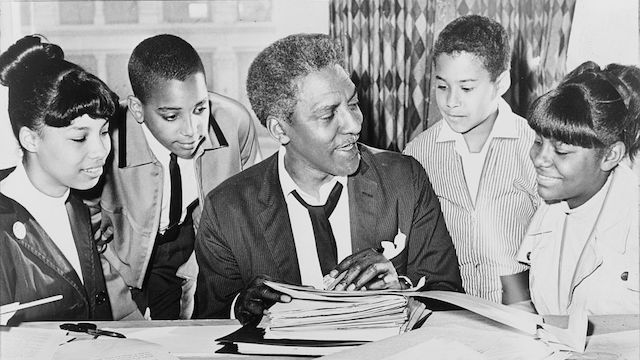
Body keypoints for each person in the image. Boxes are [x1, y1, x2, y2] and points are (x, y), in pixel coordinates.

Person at [194, 33, 463, 324]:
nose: (353, 125)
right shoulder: (227, 209)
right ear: (280, 129)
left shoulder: (404, 180)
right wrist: (240, 307)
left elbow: (447, 295)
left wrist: (401, 289)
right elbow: (208, 322)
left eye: (353, 104)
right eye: (328, 114)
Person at [95, 34, 262, 320]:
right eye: (171, 116)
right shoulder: (105, 135)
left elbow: (254, 206)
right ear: (137, 109)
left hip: (190, 243)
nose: (192, 130)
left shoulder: (235, 122)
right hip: (123, 254)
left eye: (200, 109)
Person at [0, 35, 140, 324]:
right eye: (79, 137)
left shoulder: (76, 206)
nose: (101, 151)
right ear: (30, 138)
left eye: (103, 132)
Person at [403, 15, 539, 303]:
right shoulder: (417, 154)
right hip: (447, 314)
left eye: (466, 88)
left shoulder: (534, 147)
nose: (451, 102)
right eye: (442, 86)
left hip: (522, 313)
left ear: (500, 82)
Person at [516, 62, 640, 315]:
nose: (540, 159)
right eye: (538, 141)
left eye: (561, 150)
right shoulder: (552, 206)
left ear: (610, 155)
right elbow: (525, 289)